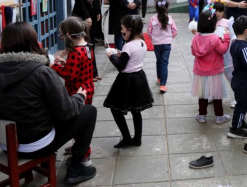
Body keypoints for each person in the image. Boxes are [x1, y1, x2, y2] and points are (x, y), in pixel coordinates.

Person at [0, 22, 97, 184]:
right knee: (89, 112)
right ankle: (77, 167)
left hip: (6, 145)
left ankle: (46, 163)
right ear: (32, 43)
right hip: (37, 144)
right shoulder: (41, 72)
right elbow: (67, 111)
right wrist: (79, 96)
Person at [103, 15, 154, 148]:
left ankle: (126, 137)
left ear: (130, 30)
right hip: (139, 78)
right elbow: (131, 57)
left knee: (115, 109)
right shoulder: (142, 42)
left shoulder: (128, 46)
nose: (121, 32)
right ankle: (137, 139)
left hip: (126, 81)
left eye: (123, 29)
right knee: (136, 111)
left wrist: (111, 56)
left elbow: (121, 65)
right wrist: (120, 53)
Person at [51, 16, 95, 164]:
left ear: (69, 36)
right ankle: (80, 146)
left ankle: (84, 154)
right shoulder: (87, 46)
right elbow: (79, 69)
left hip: (77, 93)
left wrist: (54, 66)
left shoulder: (76, 52)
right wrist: (65, 63)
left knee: (78, 121)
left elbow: (70, 75)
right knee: (83, 120)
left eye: (62, 35)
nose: (62, 38)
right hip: (87, 89)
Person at [190, 10, 232, 124]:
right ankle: (219, 116)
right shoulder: (215, 38)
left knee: (202, 94)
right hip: (214, 71)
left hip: (200, 71)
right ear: (213, 25)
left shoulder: (195, 38)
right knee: (217, 94)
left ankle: (202, 115)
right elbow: (223, 50)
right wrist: (227, 38)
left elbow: (193, 52)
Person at [70, 0, 102, 81]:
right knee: (86, 44)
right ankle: (89, 73)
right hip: (84, 15)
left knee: (91, 43)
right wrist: (87, 16)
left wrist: (98, 11)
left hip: (93, 14)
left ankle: (93, 72)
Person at [147, 0, 178, 93]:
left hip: (157, 44)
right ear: (167, 7)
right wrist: (169, 38)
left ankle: (159, 78)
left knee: (159, 61)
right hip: (167, 44)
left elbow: (149, 32)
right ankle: (163, 85)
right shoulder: (169, 18)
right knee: (164, 63)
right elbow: (175, 31)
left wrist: (154, 39)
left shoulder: (152, 18)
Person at [213, 1, 237, 108]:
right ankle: (211, 96)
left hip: (227, 54)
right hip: (213, 54)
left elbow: (233, 35)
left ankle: (237, 98)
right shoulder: (210, 22)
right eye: (216, 11)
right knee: (213, 77)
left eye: (220, 11)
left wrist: (234, 42)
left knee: (230, 76)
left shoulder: (227, 22)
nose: (218, 13)